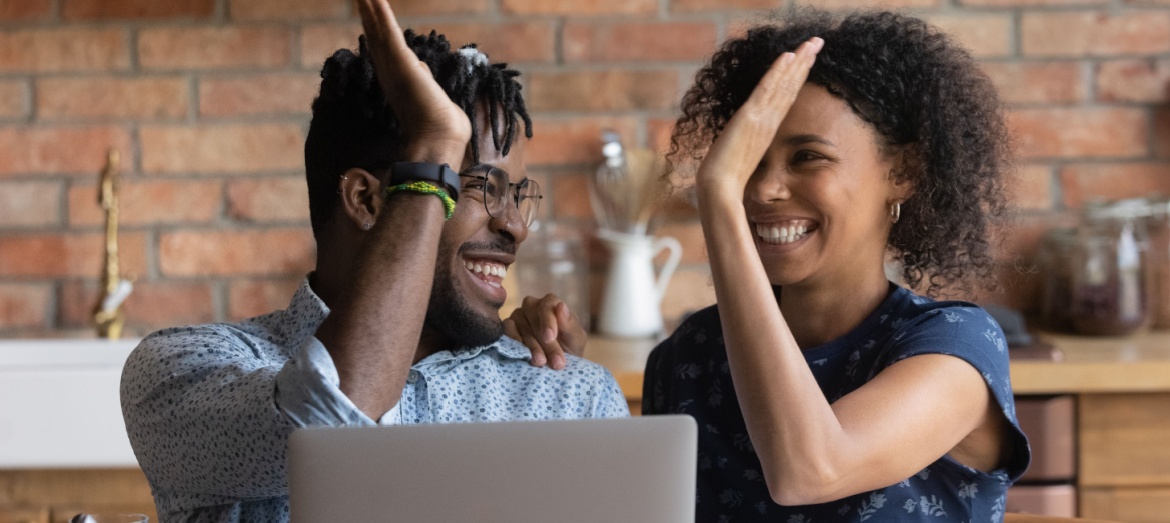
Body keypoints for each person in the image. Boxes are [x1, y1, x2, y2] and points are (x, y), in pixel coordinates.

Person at [120, 2, 627, 521]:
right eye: (481, 186)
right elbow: (329, 426)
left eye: (517, 194)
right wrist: (435, 147)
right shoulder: (184, 372)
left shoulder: (571, 397)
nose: (516, 226)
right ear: (367, 201)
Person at [638, 8, 1031, 521]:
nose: (762, 189)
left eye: (808, 157)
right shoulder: (690, 356)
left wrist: (717, 194)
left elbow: (810, 470)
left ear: (903, 172)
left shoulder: (956, 350)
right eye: (748, 163)